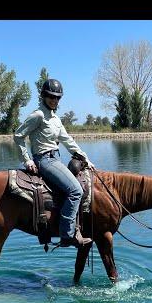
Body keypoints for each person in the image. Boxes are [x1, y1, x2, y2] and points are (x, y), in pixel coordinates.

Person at [13, 78, 94, 248]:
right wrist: (27, 160)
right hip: (44, 160)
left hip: (55, 159)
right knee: (75, 190)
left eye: (57, 97)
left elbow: (68, 141)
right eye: (51, 96)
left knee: (73, 186)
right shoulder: (38, 115)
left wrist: (86, 158)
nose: (54, 100)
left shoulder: (56, 119)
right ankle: (67, 234)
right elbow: (18, 135)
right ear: (43, 96)